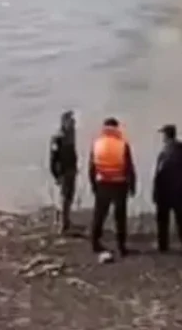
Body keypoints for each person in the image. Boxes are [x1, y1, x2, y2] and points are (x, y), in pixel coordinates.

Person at [88, 117, 136, 256]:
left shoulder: (97, 144)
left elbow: (91, 167)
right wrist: (132, 185)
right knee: (120, 216)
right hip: (120, 184)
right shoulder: (122, 144)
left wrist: (93, 185)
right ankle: (121, 246)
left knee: (99, 215)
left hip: (102, 183)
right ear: (117, 128)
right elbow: (129, 167)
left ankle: (95, 243)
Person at [153, 124, 182, 253]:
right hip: (179, 188)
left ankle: (163, 245)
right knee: (180, 215)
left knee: (162, 218)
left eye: (163, 135)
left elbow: (159, 173)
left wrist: (155, 191)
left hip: (164, 189)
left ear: (166, 136)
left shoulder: (164, 153)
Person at [48, 110, 79, 234]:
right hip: (63, 171)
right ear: (64, 122)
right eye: (71, 121)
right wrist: (56, 174)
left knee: (69, 196)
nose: (73, 123)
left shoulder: (71, 134)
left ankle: (65, 220)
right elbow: (52, 159)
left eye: (73, 121)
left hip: (71, 169)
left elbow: (72, 152)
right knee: (64, 198)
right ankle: (61, 223)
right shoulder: (58, 137)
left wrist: (76, 167)